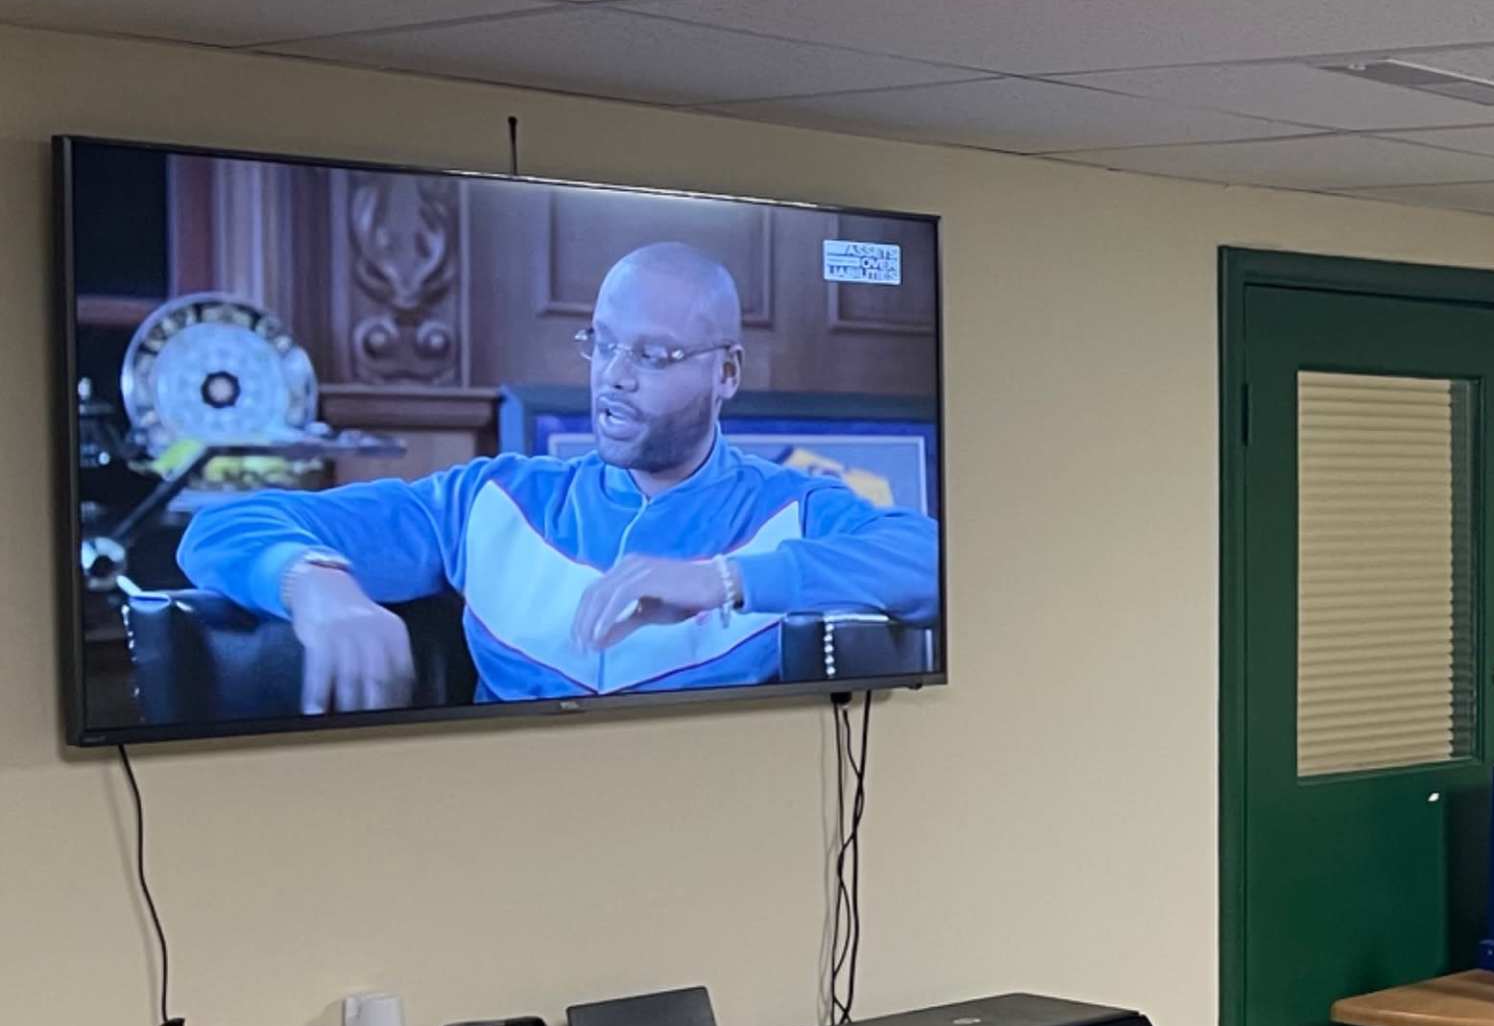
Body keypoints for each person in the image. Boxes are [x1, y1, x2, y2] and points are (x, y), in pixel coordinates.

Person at [177, 242, 940, 714]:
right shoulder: (490, 499)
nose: (613, 378)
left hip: (721, 842)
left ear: (727, 373)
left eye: (654, 356)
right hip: (501, 838)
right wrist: (317, 584)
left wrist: (724, 579)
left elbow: (935, 563)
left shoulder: (793, 509)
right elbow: (221, 526)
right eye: (602, 345)